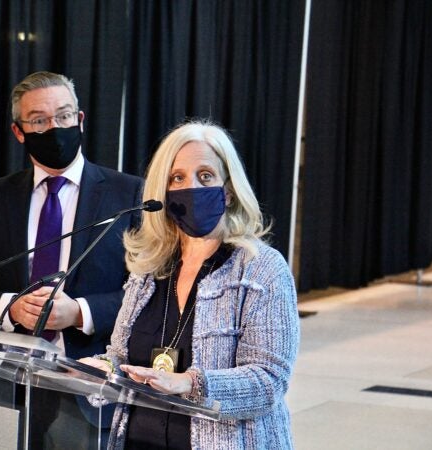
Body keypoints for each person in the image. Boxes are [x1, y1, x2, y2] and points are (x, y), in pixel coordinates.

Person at [0, 71, 143, 449]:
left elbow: (149, 297)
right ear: (19, 131)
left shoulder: (128, 194)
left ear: (80, 120)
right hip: (6, 384)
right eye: (39, 120)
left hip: (90, 385)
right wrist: (10, 308)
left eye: (64, 116)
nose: (54, 127)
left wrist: (80, 312)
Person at [81, 120, 300, 449]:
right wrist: (101, 369)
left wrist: (188, 383)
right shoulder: (148, 271)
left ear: (227, 192)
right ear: (164, 195)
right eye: (177, 178)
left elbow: (268, 381)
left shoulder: (261, 269)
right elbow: (121, 356)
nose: (192, 187)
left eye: (206, 176)